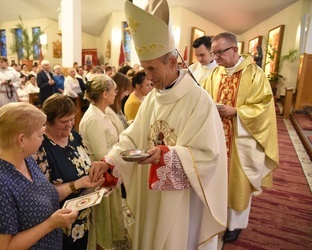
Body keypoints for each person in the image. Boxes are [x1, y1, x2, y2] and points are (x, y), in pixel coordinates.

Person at [89, 1, 228, 249]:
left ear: (173, 63)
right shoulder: (153, 98)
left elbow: (209, 156)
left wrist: (167, 157)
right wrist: (109, 161)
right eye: (145, 68)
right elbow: (131, 138)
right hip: (151, 195)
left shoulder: (199, 101)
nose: (149, 77)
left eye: (153, 68)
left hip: (181, 202)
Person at [0, 102, 103, 249]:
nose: (43, 139)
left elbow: (46, 194)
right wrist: (51, 224)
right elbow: (2, 247)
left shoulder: (26, 159)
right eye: (40, 135)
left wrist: (79, 183)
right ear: (21, 139)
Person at [202, 32, 279, 243]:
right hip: (217, 137)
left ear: (235, 50)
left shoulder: (255, 74)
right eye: (213, 53)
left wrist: (236, 111)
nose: (215, 58)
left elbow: (263, 107)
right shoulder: (214, 74)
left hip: (241, 138)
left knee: (238, 182)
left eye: (220, 52)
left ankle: (235, 224)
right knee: (216, 179)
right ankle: (216, 218)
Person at [35, 94, 107, 249]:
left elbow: (83, 166)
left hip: (82, 213)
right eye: (63, 121)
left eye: (72, 119)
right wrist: (77, 184)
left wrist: (93, 177)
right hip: (59, 220)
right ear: (48, 120)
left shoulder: (74, 136)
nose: (70, 124)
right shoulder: (40, 147)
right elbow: (42, 194)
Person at [79, 74, 129, 250]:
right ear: (105, 93)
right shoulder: (94, 118)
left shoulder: (105, 112)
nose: (116, 93)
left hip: (111, 170)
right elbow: (101, 154)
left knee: (110, 215)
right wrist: (122, 155)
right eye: (114, 91)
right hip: (100, 175)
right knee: (101, 221)